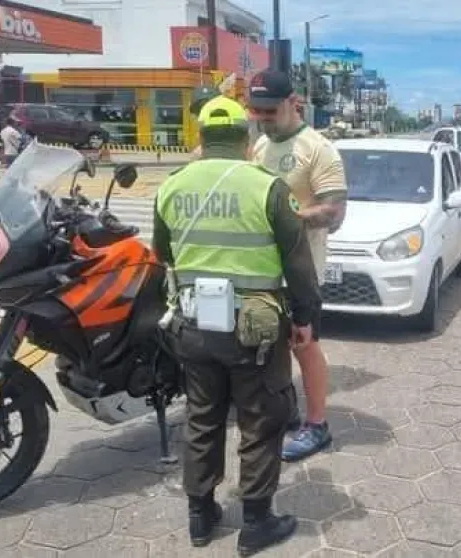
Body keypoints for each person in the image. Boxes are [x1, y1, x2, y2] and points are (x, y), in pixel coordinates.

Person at [152, 95, 322, 554]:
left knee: (202, 419)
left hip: (193, 326)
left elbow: (162, 254)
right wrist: (304, 318)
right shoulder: (268, 187)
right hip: (255, 332)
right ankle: (256, 522)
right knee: (261, 420)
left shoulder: (172, 185)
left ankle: (200, 517)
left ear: (202, 138)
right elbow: (298, 262)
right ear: (247, 139)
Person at [247, 69, 348, 463]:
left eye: (271, 110)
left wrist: (287, 218)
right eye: (257, 111)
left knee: (304, 346)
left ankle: (318, 425)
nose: (264, 118)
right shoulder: (259, 146)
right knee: (267, 346)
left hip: (299, 271)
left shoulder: (318, 149)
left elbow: (335, 212)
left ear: (294, 103)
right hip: (259, 267)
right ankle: (285, 412)